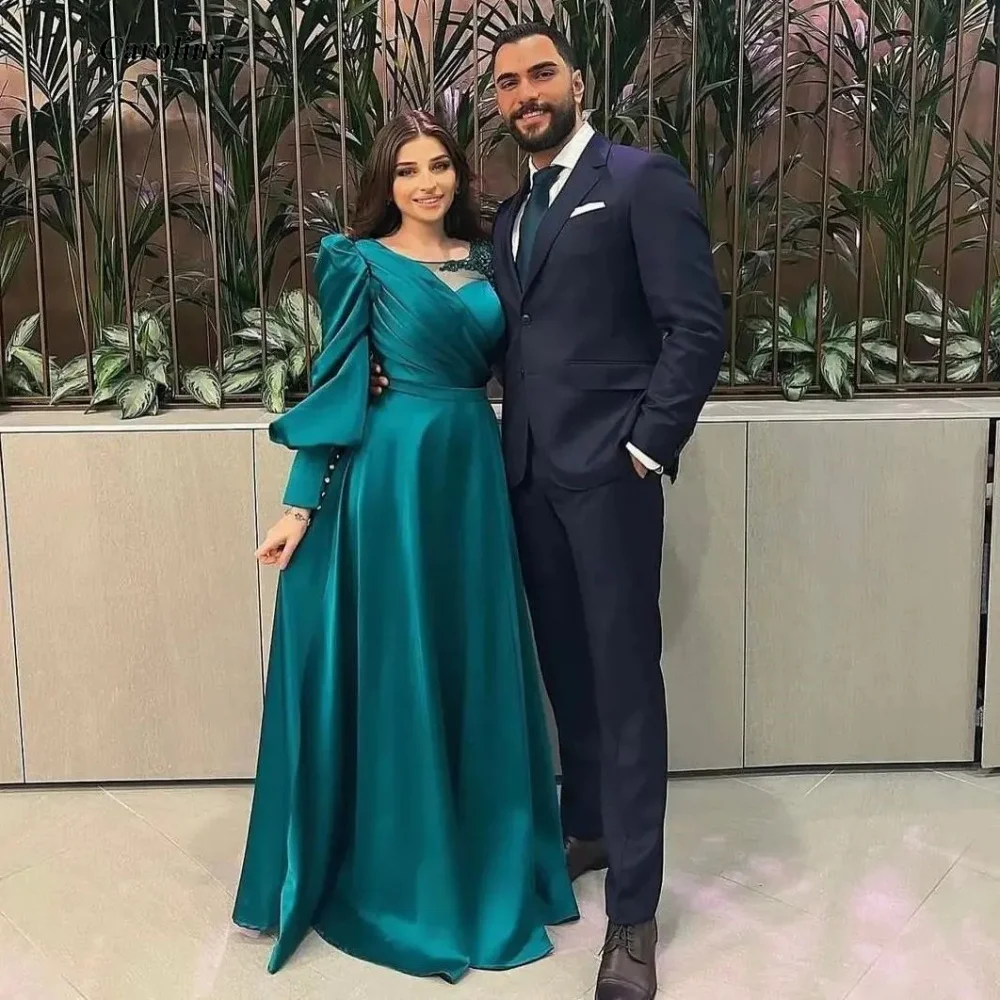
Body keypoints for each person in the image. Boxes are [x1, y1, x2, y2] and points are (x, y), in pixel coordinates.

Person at [372, 22, 726, 1000]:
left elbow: (696, 327)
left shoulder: (640, 180)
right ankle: (591, 828)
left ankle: (636, 915)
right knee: (567, 672)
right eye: (507, 83)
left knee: (625, 684)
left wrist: (646, 446)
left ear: (576, 80)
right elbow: (512, 337)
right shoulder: (514, 212)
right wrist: (393, 365)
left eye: (540, 74)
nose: (525, 93)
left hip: (611, 480)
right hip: (523, 475)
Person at [232, 109, 579, 981]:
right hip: (391, 479)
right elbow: (339, 381)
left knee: (469, 660)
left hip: (471, 471)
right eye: (407, 171)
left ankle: (481, 844)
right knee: (404, 665)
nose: (426, 183)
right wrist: (299, 507)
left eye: (439, 166)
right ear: (385, 183)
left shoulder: (493, 257)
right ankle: (407, 870)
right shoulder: (356, 261)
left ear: (459, 173)